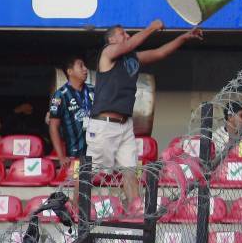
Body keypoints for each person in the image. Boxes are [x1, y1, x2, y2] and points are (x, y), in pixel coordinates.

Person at [88, 22, 202, 206]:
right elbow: (129, 44)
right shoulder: (107, 52)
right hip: (104, 124)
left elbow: (160, 53)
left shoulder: (131, 58)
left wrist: (183, 37)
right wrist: (151, 27)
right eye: (122, 33)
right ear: (111, 39)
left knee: (130, 171)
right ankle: (73, 207)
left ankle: (135, 210)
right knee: (90, 172)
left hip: (125, 125)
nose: (126, 35)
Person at [49, 56, 94, 174]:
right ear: (70, 71)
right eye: (81, 66)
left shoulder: (93, 90)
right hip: (75, 154)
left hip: (96, 152)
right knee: (80, 188)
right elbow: (53, 127)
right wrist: (61, 157)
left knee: (97, 188)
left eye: (85, 66)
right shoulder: (60, 95)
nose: (85, 69)